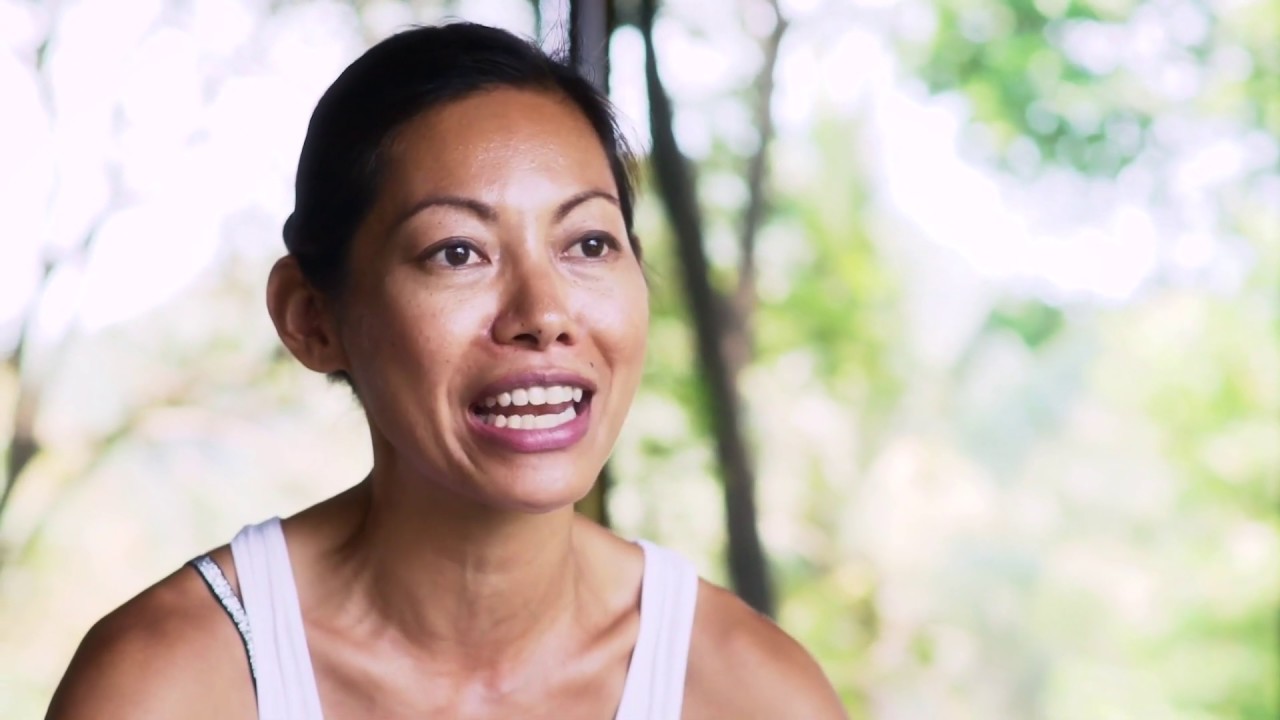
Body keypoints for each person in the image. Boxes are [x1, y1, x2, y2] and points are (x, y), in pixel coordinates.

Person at [47, 22, 846, 719]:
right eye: (457, 252)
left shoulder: (752, 694)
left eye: (588, 243)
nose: (544, 313)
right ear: (311, 318)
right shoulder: (167, 684)